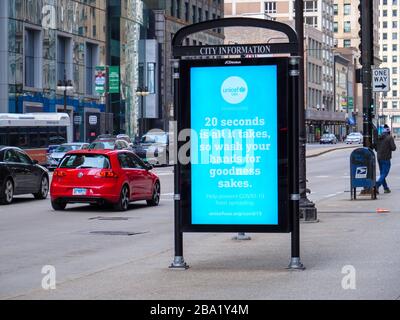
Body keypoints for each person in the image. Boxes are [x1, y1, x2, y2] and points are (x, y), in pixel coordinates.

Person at [375, 124, 396, 193]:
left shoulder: (379, 137)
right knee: (384, 173)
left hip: (379, 157)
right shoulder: (389, 138)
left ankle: (386, 188)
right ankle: (377, 184)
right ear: (388, 131)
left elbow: (375, 148)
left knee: (382, 173)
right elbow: (393, 148)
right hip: (386, 158)